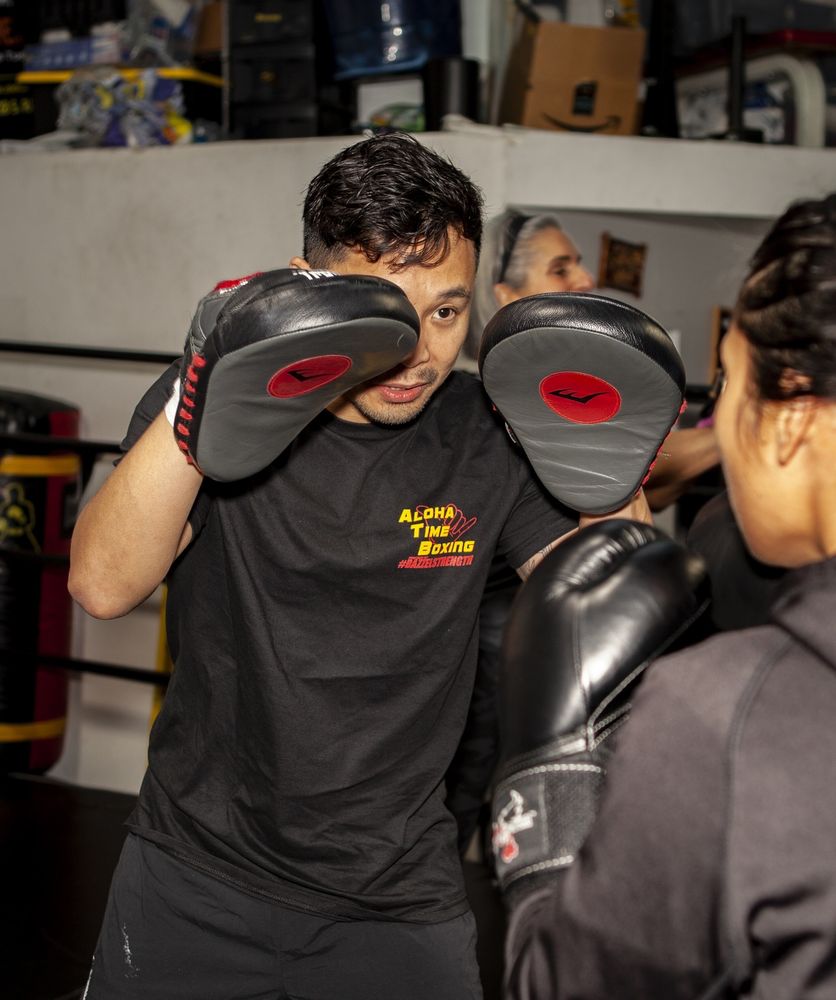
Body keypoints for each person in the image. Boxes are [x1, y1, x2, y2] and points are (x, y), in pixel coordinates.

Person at [67, 132, 651, 999]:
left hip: (398, 894)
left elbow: (611, 616)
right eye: (389, 314)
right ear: (309, 286)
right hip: (197, 868)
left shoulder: (486, 431)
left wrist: (606, 459)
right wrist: (207, 379)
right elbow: (101, 585)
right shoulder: (230, 397)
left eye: (447, 313)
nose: (419, 354)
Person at [492, 192, 836, 998]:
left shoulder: (725, 714)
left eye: (728, 382)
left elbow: (566, 984)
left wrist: (552, 795)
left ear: (789, 418)